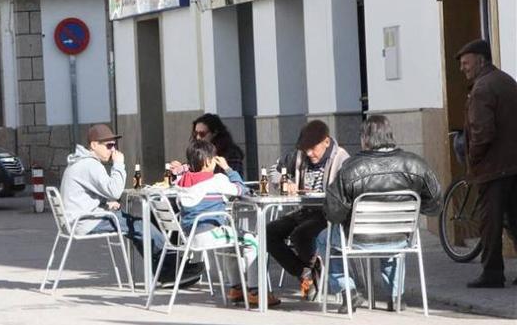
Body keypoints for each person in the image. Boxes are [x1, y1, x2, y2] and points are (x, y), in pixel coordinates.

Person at [319, 115, 442, 313]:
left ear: (364, 139)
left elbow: (333, 212)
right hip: (402, 238)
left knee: (324, 239)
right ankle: (396, 297)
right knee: (391, 245)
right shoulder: (415, 164)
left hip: (358, 239)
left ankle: (347, 291)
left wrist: (347, 217)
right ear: (390, 136)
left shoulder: (350, 168)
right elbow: (435, 204)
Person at [60, 123, 202, 285]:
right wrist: (119, 164)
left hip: (81, 218)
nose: (112, 150)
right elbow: (115, 191)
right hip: (85, 221)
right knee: (142, 227)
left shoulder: (80, 162)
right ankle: (170, 271)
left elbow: (88, 194)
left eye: (113, 145)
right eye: (108, 145)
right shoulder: (90, 165)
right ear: (93, 145)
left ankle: (166, 270)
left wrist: (105, 203)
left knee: (138, 227)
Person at [175, 139, 280, 306]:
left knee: (231, 243)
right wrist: (228, 169)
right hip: (210, 233)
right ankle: (256, 291)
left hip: (190, 236)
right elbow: (240, 189)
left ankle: (236, 288)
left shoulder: (181, 182)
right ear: (209, 161)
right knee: (254, 241)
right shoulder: (217, 180)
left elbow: (185, 174)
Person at [266, 120, 350, 300]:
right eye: (306, 149)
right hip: (303, 211)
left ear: (326, 142)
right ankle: (306, 273)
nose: (309, 153)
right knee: (268, 232)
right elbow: (274, 169)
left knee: (300, 234)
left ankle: (311, 275)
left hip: (327, 214)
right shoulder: (298, 156)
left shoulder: (341, 159)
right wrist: (284, 182)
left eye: (313, 148)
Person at [456, 39, 517, 288]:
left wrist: (475, 159)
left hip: (494, 167)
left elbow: (482, 132)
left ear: (480, 60)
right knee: (515, 218)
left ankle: (492, 272)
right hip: (513, 163)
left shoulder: (482, 89)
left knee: (490, 222)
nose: (463, 68)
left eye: (466, 63)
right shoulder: (507, 80)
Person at [172, 114, 245, 177]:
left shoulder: (231, 153)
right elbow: (193, 169)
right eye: (195, 134)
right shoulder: (197, 150)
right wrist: (181, 168)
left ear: (214, 133)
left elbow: (235, 179)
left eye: (202, 134)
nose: (198, 137)